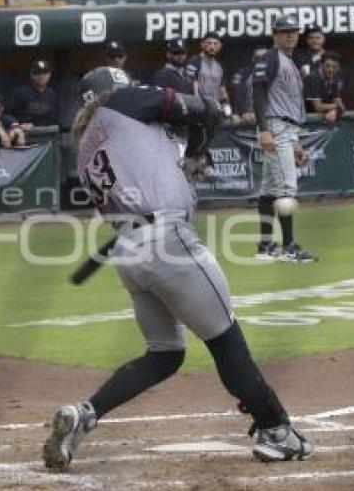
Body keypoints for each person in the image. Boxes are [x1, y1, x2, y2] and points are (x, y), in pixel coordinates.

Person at [42, 66, 312, 472]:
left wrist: (183, 149)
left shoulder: (85, 145)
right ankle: (276, 430)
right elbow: (207, 109)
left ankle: (84, 414)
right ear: (112, 91)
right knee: (226, 341)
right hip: (168, 237)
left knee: (164, 354)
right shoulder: (122, 101)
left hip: (129, 251)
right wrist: (199, 145)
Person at [253, 15, 316, 262]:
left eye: (293, 31)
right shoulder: (269, 58)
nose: (290, 35)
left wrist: (296, 140)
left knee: (269, 188)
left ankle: (266, 246)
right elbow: (258, 92)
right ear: (275, 35)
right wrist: (264, 129)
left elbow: (289, 103)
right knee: (287, 188)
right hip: (275, 126)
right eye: (284, 31)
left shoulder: (289, 61)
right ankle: (289, 247)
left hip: (286, 128)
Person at [186, 32, 231, 117]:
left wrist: (227, 108)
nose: (212, 47)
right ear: (202, 45)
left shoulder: (219, 66)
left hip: (216, 109)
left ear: (220, 46)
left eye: (215, 44)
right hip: (200, 109)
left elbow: (222, 89)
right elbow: (192, 85)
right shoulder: (195, 61)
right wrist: (198, 108)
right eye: (209, 43)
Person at [228, 42, 268, 126]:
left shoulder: (275, 72)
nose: (261, 60)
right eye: (258, 58)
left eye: (265, 58)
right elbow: (236, 92)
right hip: (247, 114)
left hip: (270, 115)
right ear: (253, 58)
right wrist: (242, 112)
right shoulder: (243, 73)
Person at [10, 59, 58, 127]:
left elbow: (53, 119)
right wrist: (17, 124)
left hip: (46, 133)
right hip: (25, 133)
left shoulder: (52, 94)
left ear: (50, 74)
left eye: (45, 72)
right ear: (31, 75)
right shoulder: (21, 93)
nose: (41, 76)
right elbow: (8, 115)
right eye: (37, 73)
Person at [303, 50, 344, 124]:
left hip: (322, 119)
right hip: (305, 119)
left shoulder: (335, 77)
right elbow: (318, 107)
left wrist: (336, 109)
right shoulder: (313, 77)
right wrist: (336, 107)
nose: (331, 70)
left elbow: (341, 105)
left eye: (334, 67)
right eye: (327, 66)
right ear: (321, 65)